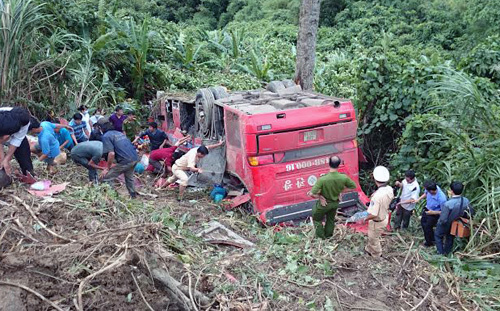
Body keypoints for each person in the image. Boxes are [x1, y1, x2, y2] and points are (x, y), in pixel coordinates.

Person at [307, 156, 356, 239]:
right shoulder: (343, 177)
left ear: (329, 164)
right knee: (330, 220)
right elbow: (353, 187)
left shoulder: (323, 179)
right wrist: (341, 191)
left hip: (323, 204)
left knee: (317, 219)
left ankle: (321, 238)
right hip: (335, 203)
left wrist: (320, 197)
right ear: (339, 164)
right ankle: (328, 236)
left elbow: (311, 193)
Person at [99, 121, 139, 198]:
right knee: (129, 177)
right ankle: (133, 195)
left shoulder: (106, 136)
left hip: (125, 161)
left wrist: (107, 168)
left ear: (102, 129)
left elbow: (111, 153)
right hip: (135, 158)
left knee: (106, 178)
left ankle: (113, 197)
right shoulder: (119, 133)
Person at [365, 166, 394, 257]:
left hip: (377, 221)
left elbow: (373, 214)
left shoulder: (377, 197)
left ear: (375, 179)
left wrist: (365, 218)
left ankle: (376, 254)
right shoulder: (389, 189)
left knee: (374, 238)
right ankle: (369, 248)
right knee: (373, 237)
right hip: (384, 217)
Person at [435, 181, 471, 255]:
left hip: (447, 223)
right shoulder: (466, 200)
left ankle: (440, 253)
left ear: (451, 191)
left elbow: (443, 219)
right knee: (450, 237)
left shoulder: (448, 204)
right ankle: (447, 252)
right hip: (457, 222)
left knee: (438, 235)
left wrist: (438, 224)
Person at [0, 107, 33, 176]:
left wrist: (6, 159)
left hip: (17, 136)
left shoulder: (24, 122)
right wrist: (2, 158)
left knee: (24, 155)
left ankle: (29, 174)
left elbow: (17, 140)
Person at [415, 180, 447, 247]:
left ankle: (429, 242)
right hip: (428, 208)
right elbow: (425, 193)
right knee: (423, 223)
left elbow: (444, 212)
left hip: (435, 213)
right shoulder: (431, 189)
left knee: (428, 227)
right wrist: (419, 199)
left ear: (432, 191)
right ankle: (431, 238)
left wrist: (433, 212)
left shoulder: (442, 198)